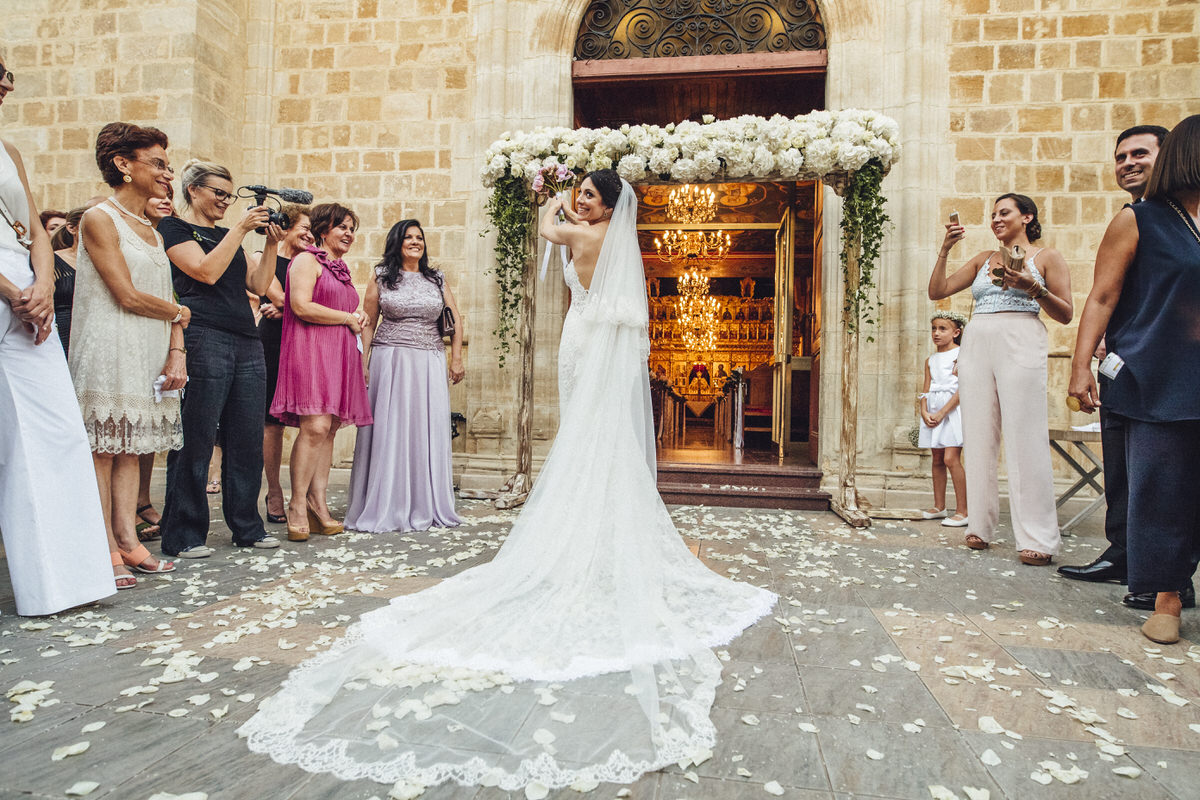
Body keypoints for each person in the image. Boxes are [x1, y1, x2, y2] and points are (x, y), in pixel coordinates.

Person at [240, 170, 776, 792]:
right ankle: (601, 528)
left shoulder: (578, 234)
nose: (581, 204)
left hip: (580, 340)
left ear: (604, 208)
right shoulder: (613, 240)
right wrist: (570, 195)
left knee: (584, 434)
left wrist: (550, 187)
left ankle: (586, 530)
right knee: (600, 438)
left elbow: (548, 227)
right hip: (598, 341)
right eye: (582, 196)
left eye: (591, 198)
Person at [1068, 115, 1200, 644]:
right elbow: (1102, 296)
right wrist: (1080, 367)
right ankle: (1166, 597)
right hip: (1158, 372)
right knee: (1164, 486)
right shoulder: (1140, 218)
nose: (1127, 164)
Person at [0, 62, 116, 614]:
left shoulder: (10, 150)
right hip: (10, 294)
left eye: (8, 73)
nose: (7, 83)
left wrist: (42, 283)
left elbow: (32, 232)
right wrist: (11, 291)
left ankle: (66, 582)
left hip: (30, 296)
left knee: (55, 432)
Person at [70, 121, 186, 587]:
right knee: (102, 450)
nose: (167, 173)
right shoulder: (100, 218)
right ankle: (102, 546)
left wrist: (175, 343)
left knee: (130, 450)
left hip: (145, 347)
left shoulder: (155, 232)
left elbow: (165, 299)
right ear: (123, 164)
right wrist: (180, 312)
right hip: (107, 342)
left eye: (167, 165)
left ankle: (128, 539)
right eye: (157, 163)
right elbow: (126, 294)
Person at [929, 194, 1073, 565]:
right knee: (977, 434)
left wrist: (1033, 288)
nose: (995, 219)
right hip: (977, 341)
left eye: (1003, 213)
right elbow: (937, 291)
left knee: (1026, 435)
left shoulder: (1047, 257)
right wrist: (945, 248)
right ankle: (979, 524)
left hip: (1021, 336)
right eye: (992, 215)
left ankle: (1038, 538)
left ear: (1027, 217)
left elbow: (1066, 314)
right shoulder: (982, 259)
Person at [158, 160, 283, 558]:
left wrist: (273, 244)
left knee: (246, 436)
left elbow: (259, 285)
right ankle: (183, 533)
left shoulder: (230, 235)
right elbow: (204, 272)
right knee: (195, 435)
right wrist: (241, 229)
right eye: (219, 194)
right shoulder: (175, 229)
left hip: (246, 339)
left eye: (229, 196)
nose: (225, 202)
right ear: (193, 190)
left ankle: (247, 526)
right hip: (203, 334)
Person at [345, 219, 464, 532]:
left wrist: (457, 358)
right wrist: (363, 362)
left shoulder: (436, 278)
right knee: (390, 427)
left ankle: (424, 501)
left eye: (420, 237)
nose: (415, 242)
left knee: (426, 427)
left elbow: (454, 318)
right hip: (391, 359)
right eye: (409, 237)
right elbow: (368, 320)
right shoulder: (382, 276)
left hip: (430, 360)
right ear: (397, 242)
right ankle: (388, 501)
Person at [270, 202, 372, 541]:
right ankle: (297, 503)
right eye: (342, 227)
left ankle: (318, 502)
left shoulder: (340, 267)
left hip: (339, 350)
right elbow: (300, 305)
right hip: (310, 348)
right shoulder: (305, 260)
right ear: (322, 230)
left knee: (329, 429)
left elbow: (342, 306)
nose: (348, 234)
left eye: (351, 228)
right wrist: (346, 318)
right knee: (314, 426)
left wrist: (359, 315)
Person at [256, 205, 313, 523]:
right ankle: (274, 491)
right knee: (271, 424)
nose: (309, 234)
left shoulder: (314, 263)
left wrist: (289, 309)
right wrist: (292, 307)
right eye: (304, 227)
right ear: (286, 228)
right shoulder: (264, 258)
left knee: (311, 421)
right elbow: (277, 297)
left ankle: (302, 496)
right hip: (273, 344)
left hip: (304, 342)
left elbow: (315, 305)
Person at [918, 311, 967, 527]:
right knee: (937, 459)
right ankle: (939, 506)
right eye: (933, 329)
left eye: (942, 329)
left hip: (952, 411)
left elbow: (962, 390)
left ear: (956, 332)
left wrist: (942, 413)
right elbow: (926, 388)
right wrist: (924, 410)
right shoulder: (931, 360)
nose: (936, 333)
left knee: (950, 458)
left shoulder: (961, 355)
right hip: (933, 409)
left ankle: (963, 511)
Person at [49, 205, 87, 353]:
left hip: (92, 336)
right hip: (60, 335)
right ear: (72, 228)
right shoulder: (53, 260)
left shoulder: (107, 264)